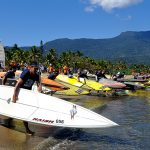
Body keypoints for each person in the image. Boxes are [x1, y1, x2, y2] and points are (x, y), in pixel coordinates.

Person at [12, 62, 42, 135]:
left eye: (37, 69)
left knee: (25, 111)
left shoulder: (36, 75)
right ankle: (27, 129)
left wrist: (40, 90)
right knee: (18, 109)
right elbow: (18, 84)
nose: (36, 70)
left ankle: (26, 129)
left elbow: (39, 87)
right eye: (35, 69)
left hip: (27, 94)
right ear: (30, 67)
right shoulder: (26, 73)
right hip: (20, 92)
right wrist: (15, 95)